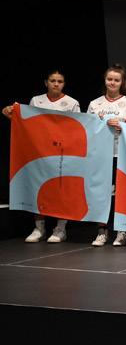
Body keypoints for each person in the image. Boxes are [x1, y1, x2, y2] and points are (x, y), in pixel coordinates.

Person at [3, 70, 81, 243]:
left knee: (61, 190)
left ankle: (60, 229)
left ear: (64, 83)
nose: (56, 84)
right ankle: (39, 228)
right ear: (46, 82)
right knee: (38, 188)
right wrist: (13, 114)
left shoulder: (72, 103)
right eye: (52, 80)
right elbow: (29, 125)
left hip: (62, 152)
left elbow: (76, 128)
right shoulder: (36, 100)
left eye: (60, 81)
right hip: (39, 152)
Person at [87, 64, 126, 247]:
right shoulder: (95, 104)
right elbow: (87, 129)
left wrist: (122, 126)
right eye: (110, 79)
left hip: (120, 155)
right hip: (100, 156)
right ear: (105, 80)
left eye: (116, 80)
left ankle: (121, 231)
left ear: (122, 82)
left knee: (120, 194)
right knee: (101, 194)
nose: (112, 83)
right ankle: (102, 231)